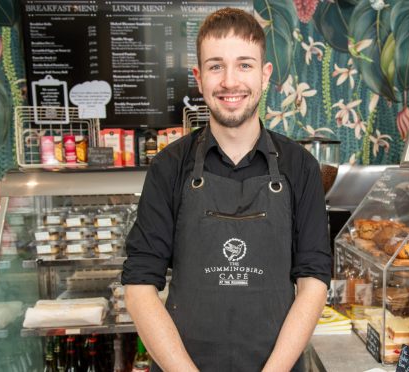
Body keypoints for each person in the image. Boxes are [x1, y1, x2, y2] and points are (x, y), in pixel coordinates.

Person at [121, 8, 331, 372]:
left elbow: (314, 280)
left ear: (265, 75)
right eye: (216, 66)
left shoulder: (300, 166)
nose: (230, 82)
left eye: (245, 65)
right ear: (199, 78)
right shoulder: (168, 167)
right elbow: (139, 285)